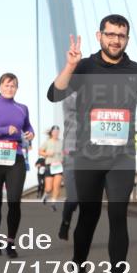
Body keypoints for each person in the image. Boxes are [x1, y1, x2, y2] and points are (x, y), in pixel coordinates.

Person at [48, 15, 137, 273]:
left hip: (121, 156)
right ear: (99, 36)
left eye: (121, 35)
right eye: (110, 34)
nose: (115, 40)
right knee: (89, 217)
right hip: (88, 156)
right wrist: (71, 65)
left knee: (118, 216)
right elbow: (54, 93)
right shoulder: (84, 67)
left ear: (127, 39)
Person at [0, 73, 35, 258]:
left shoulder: (22, 108)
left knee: (14, 202)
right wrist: (4, 130)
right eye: (7, 85)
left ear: (17, 88)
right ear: (0, 87)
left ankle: (10, 242)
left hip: (15, 159)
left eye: (13, 86)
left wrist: (30, 134)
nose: (10, 89)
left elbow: (28, 127)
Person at [57, 93, 80, 241]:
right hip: (71, 155)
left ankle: (82, 235)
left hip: (92, 157)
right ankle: (65, 222)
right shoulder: (70, 96)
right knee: (73, 199)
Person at [39, 125, 64, 208]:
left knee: (56, 186)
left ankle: (53, 203)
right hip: (49, 166)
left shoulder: (62, 142)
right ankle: (45, 195)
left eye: (57, 132)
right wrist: (47, 154)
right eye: (54, 132)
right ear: (51, 132)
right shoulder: (47, 142)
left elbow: (65, 152)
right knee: (49, 188)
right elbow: (40, 152)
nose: (56, 133)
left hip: (59, 166)